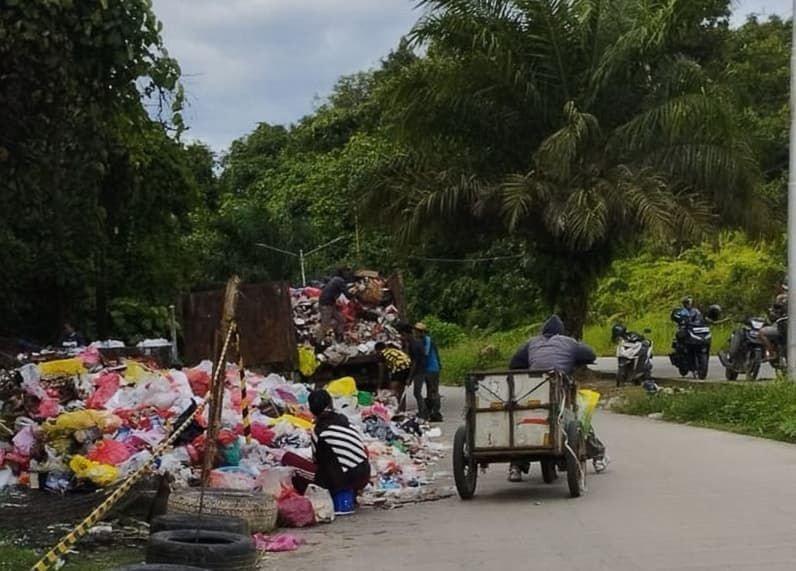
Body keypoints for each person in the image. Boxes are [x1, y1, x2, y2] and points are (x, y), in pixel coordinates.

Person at [506, 315, 603, 482]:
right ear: (561, 332)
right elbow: (590, 355)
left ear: (543, 332)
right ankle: (598, 455)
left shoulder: (532, 342)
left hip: (533, 390)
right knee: (576, 418)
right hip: (560, 389)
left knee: (523, 421)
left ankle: (516, 466)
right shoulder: (568, 342)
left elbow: (514, 362)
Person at [280, 390, 370, 508]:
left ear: (311, 410)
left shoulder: (319, 430)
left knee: (289, 460)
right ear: (331, 403)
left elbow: (316, 461)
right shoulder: (346, 422)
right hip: (364, 475)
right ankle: (349, 495)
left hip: (344, 480)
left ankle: (320, 498)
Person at [414, 322, 443, 422]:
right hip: (429, 368)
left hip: (431, 368)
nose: (416, 333)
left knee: (433, 391)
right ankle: (429, 412)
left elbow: (425, 354)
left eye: (417, 331)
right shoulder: (424, 340)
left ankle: (436, 413)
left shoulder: (427, 340)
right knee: (430, 391)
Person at [316, 268, 354, 341]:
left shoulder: (336, 279)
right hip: (326, 305)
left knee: (341, 320)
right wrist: (355, 293)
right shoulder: (340, 281)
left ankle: (339, 337)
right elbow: (347, 295)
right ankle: (318, 343)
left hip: (329, 304)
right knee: (325, 325)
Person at [399, 323, 426, 416]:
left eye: (403, 335)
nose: (402, 337)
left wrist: (409, 377)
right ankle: (423, 412)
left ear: (407, 334)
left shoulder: (415, 344)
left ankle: (423, 412)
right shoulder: (412, 343)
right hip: (418, 370)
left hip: (419, 371)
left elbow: (414, 362)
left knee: (417, 393)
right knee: (417, 393)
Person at [375, 341, 412, 406]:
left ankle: (393, 408)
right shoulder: (393, 350)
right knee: (401, 391)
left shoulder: (382, 354)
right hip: (408, 366)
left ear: (378, 350)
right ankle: (402, 408)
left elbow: (382, 372)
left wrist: (379, 386)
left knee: (392, 391)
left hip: (399, 368)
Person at [760, 279, 788, 364]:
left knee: (762, 332)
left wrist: (770, 312)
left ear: (781, 287)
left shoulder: (781, 297)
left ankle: (772, 353)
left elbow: (774, 314)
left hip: (784, 326)